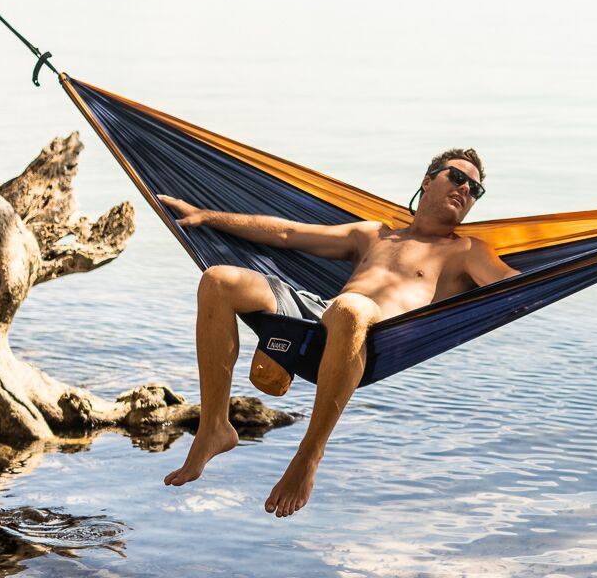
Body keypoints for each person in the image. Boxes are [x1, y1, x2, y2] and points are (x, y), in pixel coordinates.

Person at [154, 148, 518, 516]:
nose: (465, 189)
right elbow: (286, 232)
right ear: (427, 181)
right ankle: (214, 427)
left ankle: (309, 454)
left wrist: (572, 268)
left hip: (372, 334)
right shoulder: (374, 233)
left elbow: (517, 286)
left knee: (352, 308)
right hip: (319, 314)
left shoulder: (469, 251)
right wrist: (207, 216)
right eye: (457, 178)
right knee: (217, 279)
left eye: (475, 189)